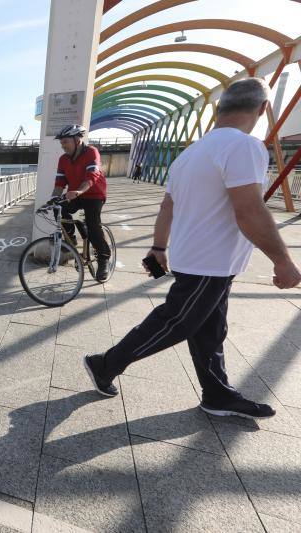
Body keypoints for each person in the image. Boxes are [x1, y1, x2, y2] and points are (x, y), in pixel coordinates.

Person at [83, 78, 301, 420]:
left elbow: (167, 208)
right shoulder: (244, 146)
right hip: (209, 262)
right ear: (262, 109)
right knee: (177, 323)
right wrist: (283, 262)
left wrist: (158, 247)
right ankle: (105, 364)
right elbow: (250, 210)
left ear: (218, 109)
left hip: (200, 258)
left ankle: (217, 394)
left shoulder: (190, 154)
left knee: (210, 330)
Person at [52, 124, 111, 281]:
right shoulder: (63, 159)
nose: (63, 146)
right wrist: (53, 199)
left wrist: (78, 191)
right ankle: (70, 240)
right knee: (57, 207)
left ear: (77, 140)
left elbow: (92, 176)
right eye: (61, 143)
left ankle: (103, 259)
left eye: (65, 142)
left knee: (93, 225)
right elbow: (59, 182)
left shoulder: (91, 152)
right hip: (76, 193)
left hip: (94, 194)